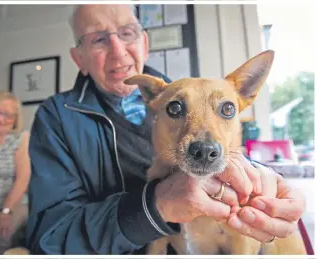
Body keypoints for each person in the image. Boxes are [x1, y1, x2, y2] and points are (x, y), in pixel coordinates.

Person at [25, 4, 306, 255]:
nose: (118, 51)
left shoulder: (184, 92)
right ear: (79, 58)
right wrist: (154, 207)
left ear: (144, 43)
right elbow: (49, 239)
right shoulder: (58, 117)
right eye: (98, 39)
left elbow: (221, 148)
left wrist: (270, 180)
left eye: (127, 32)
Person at [0, 91, 31, 254]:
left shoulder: (20, 139)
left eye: (8, 115)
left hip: (9, 203)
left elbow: (23, 178)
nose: (1, 119)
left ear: (15, 119)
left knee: (1, 238)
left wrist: (6, 210)